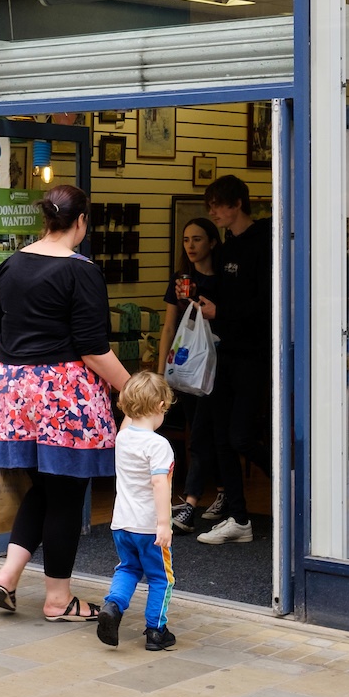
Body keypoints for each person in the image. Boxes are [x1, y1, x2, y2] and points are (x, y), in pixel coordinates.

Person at [0, 183, 130, 622]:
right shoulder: (81, 271)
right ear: (81, 221)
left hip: (14, 390)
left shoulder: (10, 265)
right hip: (63, 395)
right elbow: (92, 349)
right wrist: (132, 388)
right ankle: (57, 599)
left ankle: (7, 576)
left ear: (46, 219)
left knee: (42, 488)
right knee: (66, 494)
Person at [192, 176, 269, 546]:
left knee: (240, 436)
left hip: (254, 354)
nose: (213, 212)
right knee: (221, 437)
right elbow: (222, 295)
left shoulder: (263, 242)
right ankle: (238, 518)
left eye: (217, 205)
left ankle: (291, 481)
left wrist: (221, 312)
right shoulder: (224, 249)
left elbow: (266, 302)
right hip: (223, 352)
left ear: (237, 204)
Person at [97, 371, 177, 652]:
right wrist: (164, 523)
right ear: (161, 406)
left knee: (128, 568)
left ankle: (113, 606)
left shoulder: (123, 438)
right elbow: (159, 483)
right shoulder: (159, 445)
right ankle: (156, 631)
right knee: (161, 578)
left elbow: (129, 422)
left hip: (122, 523)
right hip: (148, 527)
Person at [158, 218, 221, 536]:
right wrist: (161, 373)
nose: (191, 246)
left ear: (212, 242)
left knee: (201, 434)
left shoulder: (223, 278)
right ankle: (223, 491)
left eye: (197, 239)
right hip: (186, 367)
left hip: (215, 366)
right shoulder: (181, 280)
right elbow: (169, 325)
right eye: (186, 240)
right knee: (204, 430)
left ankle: (191, 502)